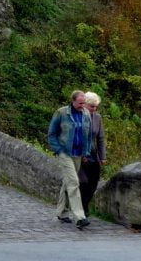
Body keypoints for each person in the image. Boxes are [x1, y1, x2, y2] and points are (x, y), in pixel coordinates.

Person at [47, 89, 92, 229]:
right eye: (80, 103)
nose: (82, 105)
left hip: (78, 154)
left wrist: (86, 152)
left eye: (84, 103)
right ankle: (80, 217)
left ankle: (62, 212)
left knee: (67, 182)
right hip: (65, 153)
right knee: (73, 182)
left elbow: (88, 136)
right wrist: (58, 150)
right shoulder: (61, 113)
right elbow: (51, 134)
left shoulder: (86, 115)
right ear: (72, 101)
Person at [79, 91, 107, 216]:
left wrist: (102, 156)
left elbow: (100, 138)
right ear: (85, 105)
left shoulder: (97, 117)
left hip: (93, 153)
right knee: (83, 182)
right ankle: (82, 207)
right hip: (79, 153)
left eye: (96, 107)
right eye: (91, 106)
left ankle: (85, 204)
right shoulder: (77, 117)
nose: (94, 109)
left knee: (94, 182)